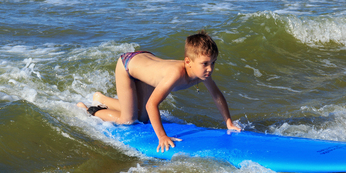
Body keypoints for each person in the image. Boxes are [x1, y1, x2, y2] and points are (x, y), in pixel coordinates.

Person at [77, 30, 241, 152]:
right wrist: (162, 136)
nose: (210, 68)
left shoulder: (202, 74)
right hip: (127, 66)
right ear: (188, 62)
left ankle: (101, 98)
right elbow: (152, 104)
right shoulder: (176, 74)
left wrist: (228, 122)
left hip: (145, 63)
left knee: (142, 117)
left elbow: (216, 95)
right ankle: (89, 109)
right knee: (128, 119)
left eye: (213, 63)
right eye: (205, 63)